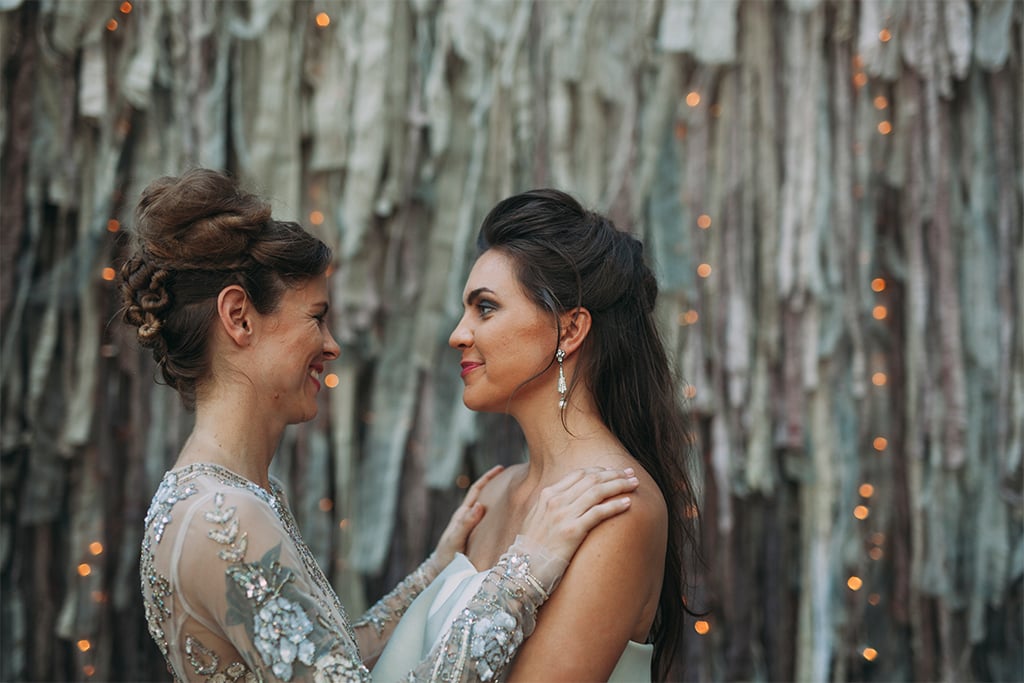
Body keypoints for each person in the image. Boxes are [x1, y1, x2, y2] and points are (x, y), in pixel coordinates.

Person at [119, 169, 641, 682]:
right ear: (239, 317)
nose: (332, 345)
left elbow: (330, 661)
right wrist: (523, 572)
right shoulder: (223, 517)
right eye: (316, 317)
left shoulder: (227, 496)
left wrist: (435, 573)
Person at [371, 189, 701, 682]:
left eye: (485, 308)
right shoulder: (495, 490)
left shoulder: (614, 507)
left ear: (569, 331)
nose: (458, 334)